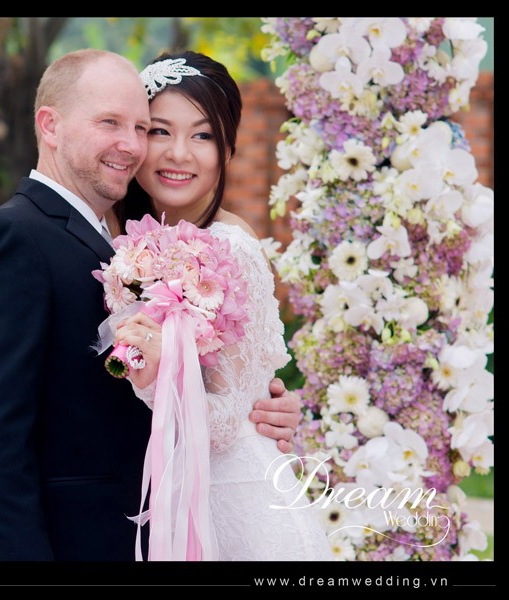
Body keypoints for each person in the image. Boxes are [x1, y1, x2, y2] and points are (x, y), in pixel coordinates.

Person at [0, 48, 303, 561]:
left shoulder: (121, 239)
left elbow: (222, 393)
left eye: (139, 127)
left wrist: (259, 408)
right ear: (50, 125)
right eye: (113, 123)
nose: (132, 144)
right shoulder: (15, 238)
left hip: (182, 521)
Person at [111, 50, 334, 561]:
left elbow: (227, 421)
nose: (178, 154)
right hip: (175, 503)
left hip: (235, 511)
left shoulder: (230, 249)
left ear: (228, 148)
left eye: (203, 136)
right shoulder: (126, 242)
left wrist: (153, 374)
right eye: (160, 131)